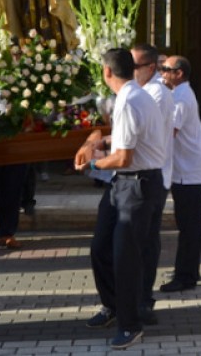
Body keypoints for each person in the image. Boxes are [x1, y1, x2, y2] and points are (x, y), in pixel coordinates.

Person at [75, 48, 165, 350]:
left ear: (106, 72)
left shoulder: (129, 100)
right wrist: (101, 141)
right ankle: (112, 305)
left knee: (125, 257)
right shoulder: (137, 96)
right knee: (101, 246)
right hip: (124, 185)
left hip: (136, 186)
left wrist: (91, 165)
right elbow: (128, 139)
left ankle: (130, 325)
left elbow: (124, 158)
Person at [159, 55, 201, 293]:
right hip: (185, 170)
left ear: (179, 73)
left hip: (189, 171)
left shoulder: (180, 97)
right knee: (187, 224)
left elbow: (169, 132)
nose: (162, 72)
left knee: (189, 226)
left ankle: (186, 276)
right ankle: (188, 271)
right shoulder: (178, 93)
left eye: (166, 69)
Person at [132, 44, 174, 324]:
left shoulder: (156, 93)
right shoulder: (144, 91)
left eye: (132, 66)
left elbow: (141, 133)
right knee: (139, 242)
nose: (129, 72)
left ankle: (143, 300)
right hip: (145, 173)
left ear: (149, 68)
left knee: (145, 243)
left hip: (152, 174)